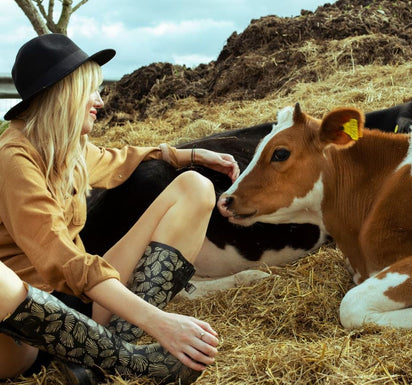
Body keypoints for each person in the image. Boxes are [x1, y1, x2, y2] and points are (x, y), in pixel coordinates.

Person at [0, 33, 240, 384]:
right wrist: (159, 323)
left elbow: (119, 159)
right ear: (62, 94)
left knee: (194, 187)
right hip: (24, 335)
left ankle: (97, 358)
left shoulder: (66, 148)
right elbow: (59, 256)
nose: (99, 100)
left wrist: (189, 155)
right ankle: (123, 358)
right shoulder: (13, 159)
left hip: (80, 313)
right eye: (90, 90)